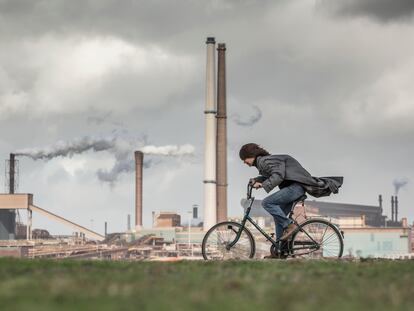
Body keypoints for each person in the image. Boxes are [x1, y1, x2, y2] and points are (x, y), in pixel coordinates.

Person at [239, 143, 343, 252]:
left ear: (251, 155)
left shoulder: (264, 161)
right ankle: (281, 250)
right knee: (279, 217)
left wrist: (263, 184)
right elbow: (271, 175)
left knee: (266, 203)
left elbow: (278, 175)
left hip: (295, 188)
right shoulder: (264, 161)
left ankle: (290, 225)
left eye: (244, 158)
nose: (244, 162)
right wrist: (257, 179)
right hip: (295, 188)